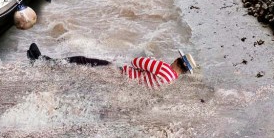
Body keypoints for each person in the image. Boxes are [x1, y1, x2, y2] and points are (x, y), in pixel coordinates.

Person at [27, 45, 197, 89]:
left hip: (120, 74)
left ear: (177, 60)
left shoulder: (163, 68)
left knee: (82, 60)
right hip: (126, 84)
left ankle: (44, 61)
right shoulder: (171, 80)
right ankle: (46, 64)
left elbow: (136, 62)